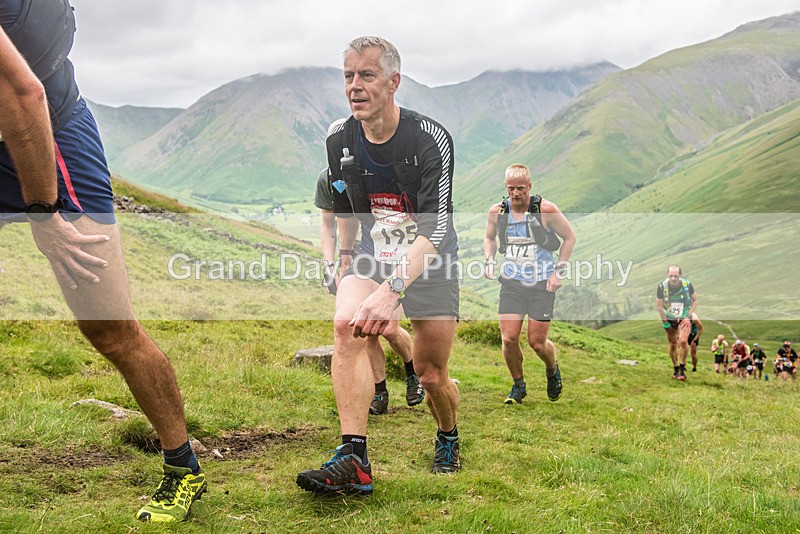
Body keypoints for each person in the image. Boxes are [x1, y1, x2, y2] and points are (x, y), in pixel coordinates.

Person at [0, 2, 204, 522]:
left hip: (47, 134)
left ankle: (183, 469)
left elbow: (24, 96)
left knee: (110, 329)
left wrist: (45, 217)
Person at [296, 36, 462, 494]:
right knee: (346, 325)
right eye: (348, 75)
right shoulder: (338, 138)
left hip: (429, 260)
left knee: (430, 375)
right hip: (373, 253)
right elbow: (349, 210)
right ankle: (354, 459)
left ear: (393, 82)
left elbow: (436, 230)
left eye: (366, 75)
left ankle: (447, 435)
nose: (354, 85)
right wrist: (345, 262)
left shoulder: (430, 139)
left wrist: (391, 292)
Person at [314, 122, 423, 415]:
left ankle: (412, 372)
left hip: (401, 256)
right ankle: (380, 391)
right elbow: (330, 224)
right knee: (364, 327)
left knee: (389, 328)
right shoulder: (329, 179)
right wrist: (332, 263)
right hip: (367, 256)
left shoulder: (376, 171)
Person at [482, 164, 575, 404]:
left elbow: (569, 237)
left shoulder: (545, 210)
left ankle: (552, 369)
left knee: (537, 343)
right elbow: (489, 238)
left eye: (521, 188)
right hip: (512, 283)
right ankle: (518, 385)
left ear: (530, 186)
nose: (516, 193)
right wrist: (489, 260)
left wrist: (558, 272)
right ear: (506, 187)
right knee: (509, 339)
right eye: (511, 188)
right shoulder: (498, 212)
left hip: (541, 284)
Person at [656, 265, 698, 381]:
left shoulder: (687, 285)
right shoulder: (661, 287)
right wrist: (665, 323)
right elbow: (660, 307)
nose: (673, 278)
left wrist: (688, 315)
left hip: (684, 317)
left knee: (683, 341)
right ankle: (675, 367)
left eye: (676, 276)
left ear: (680, 275)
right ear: (667, 275)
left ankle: (682, 367)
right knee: (673, 344)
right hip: (669, 317)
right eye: (671, 276)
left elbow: (695, 300)